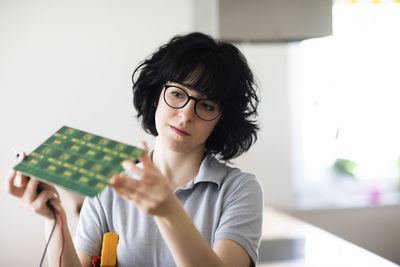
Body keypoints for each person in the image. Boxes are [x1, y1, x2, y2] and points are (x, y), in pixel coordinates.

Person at [6, 32, 263, 267]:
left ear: (221, 120)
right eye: (176, 94)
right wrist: (54, 217)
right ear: (155, 95)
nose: (186, 115)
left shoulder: (239, 190)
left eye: (206, 105)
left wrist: (168, 210)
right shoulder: (110, 181)